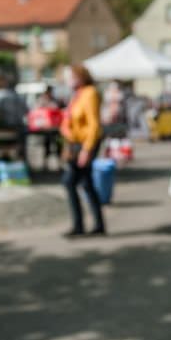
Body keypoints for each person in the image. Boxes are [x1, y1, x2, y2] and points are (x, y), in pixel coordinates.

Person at [60, 65, 106, 237]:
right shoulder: (77, 95)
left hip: (84, 144)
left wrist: (86, 149)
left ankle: (80, 225)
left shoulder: (90, 93)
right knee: (86, 184)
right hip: (75, 144)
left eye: (71, 76)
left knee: (70, 182)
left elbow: (94, 124)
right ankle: (97, 224)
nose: (68, 80)